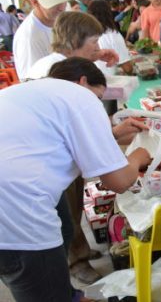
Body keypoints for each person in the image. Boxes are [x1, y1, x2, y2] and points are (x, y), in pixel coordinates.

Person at [0, 57, 151, 302]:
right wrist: (138, 156)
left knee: (60, 236)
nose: (98, 104)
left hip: (10, 203)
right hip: (16, 215)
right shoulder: (81, 98)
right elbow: (119, 181)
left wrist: (109, 136)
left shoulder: (31, 91)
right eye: (99, 97)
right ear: (83, 81)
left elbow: (51, 142)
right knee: (44, 289)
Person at [13, 0, 72, 80]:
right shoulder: (28, 39)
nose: (62, 7)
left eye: (63, 0)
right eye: (54, 2)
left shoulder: (61, 16)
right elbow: (32, 84)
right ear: (34, 2)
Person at [27, 11, 119, 79]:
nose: (98, 48)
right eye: (95, 42)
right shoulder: (63, 72)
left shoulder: (52, 62)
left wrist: (93, 56)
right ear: (74, 41)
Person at [87, 0, 132, 76]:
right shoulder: (112, 35)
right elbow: (127, 67)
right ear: (108, 13)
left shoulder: (86, 33)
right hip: (109, 80)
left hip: (92, 78)